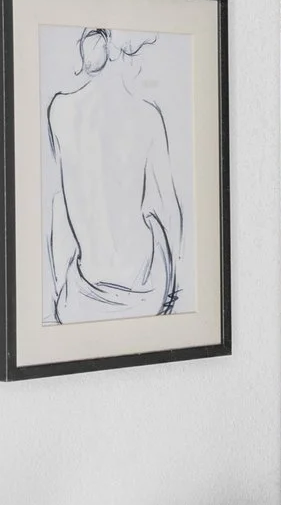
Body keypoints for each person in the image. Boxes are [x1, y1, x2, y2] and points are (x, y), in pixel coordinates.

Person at [45, 27, 186, 324]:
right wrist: (172, 286)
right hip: (146, 291)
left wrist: (62, 287)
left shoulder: (58, 109)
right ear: (120, 52)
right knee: (154, 223)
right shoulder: (148, 116)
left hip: (81, 296)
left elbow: (60, 204)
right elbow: (170, 209)